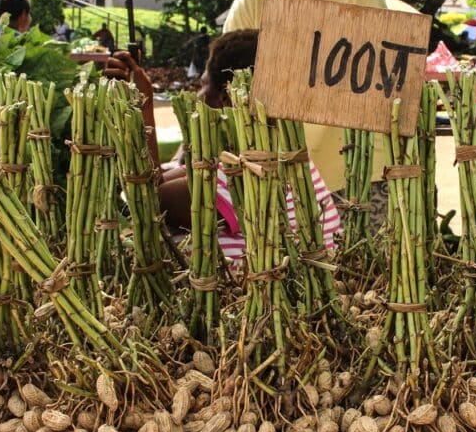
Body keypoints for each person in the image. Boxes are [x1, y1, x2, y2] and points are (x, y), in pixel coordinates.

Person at [103, 30, 341, 262]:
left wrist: (142, 107)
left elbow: (147, 197)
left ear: (226, 98)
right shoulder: (281, 154)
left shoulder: (246, 170)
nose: (196, 95)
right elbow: (161, 179)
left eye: (202, 85)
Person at [223, 0, 391, 229]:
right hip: (281, 177)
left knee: (368, 276)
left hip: (360, 173)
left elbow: (385, 80)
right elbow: (226, 79)